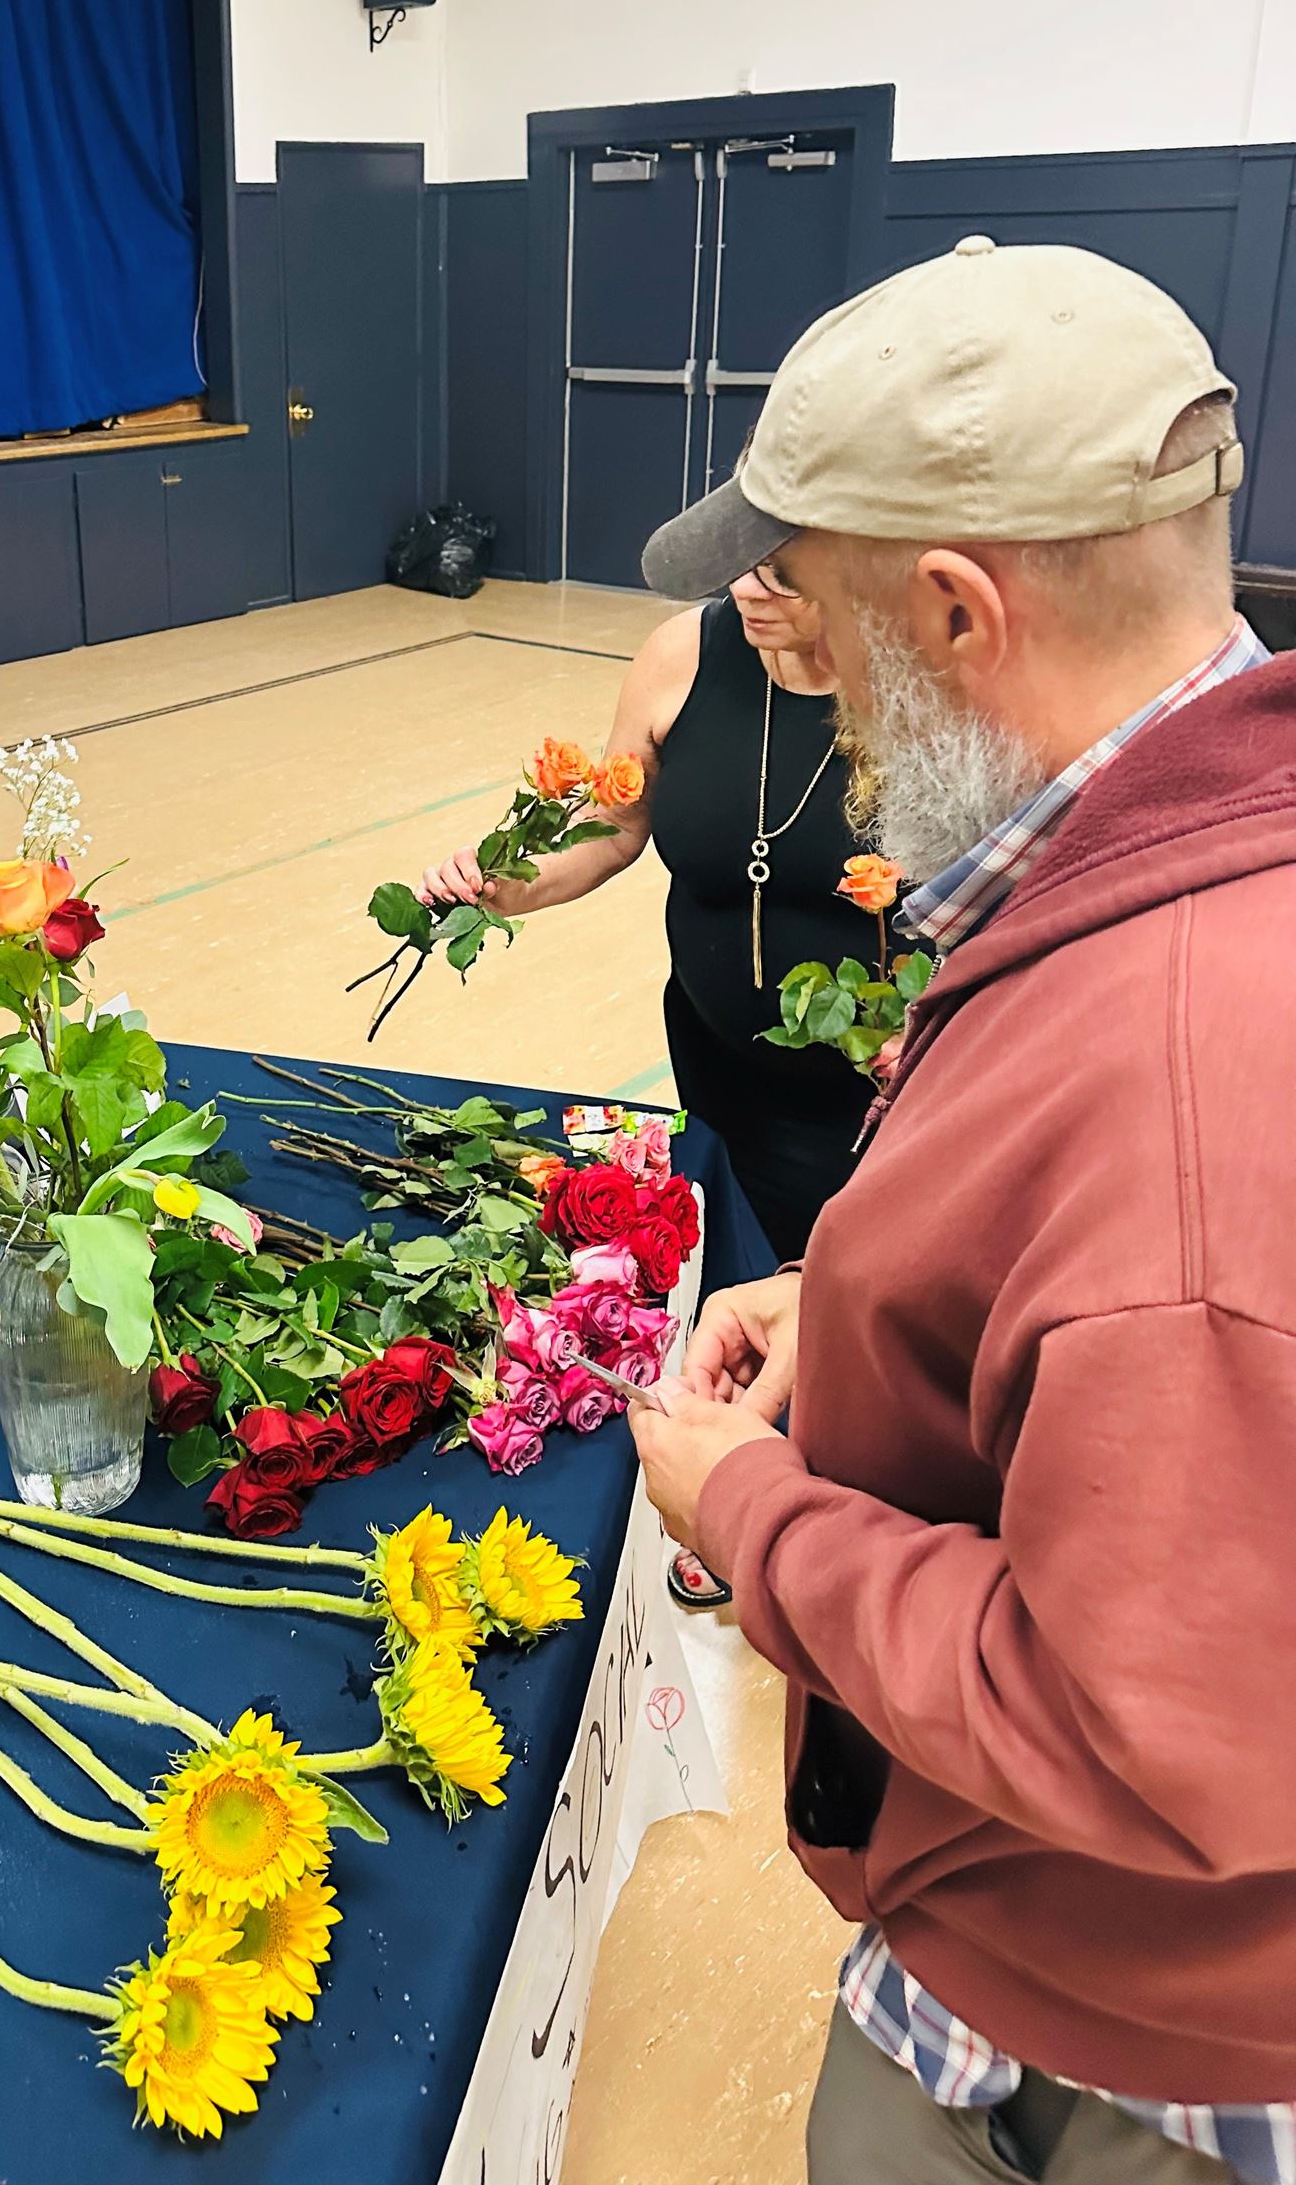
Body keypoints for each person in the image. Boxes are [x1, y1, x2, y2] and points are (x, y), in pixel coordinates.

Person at [631, 237, 1293, 2183]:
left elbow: (1141, 1727)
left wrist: (751, 1514)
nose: (797, 667)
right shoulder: (1166, 860)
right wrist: (858, 1293)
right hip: (1003, 1944)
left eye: (810, 611)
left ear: (953, 606)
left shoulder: (1194, 1060)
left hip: (1136, 2058)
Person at [420, 570, 898, 1266]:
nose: (747, 590)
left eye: (785, 575)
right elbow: (614, 823)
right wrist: (507, 884)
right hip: (715, 1074)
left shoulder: (931, 684)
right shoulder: (682, 655)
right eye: (741, 560)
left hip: (870, 1104)